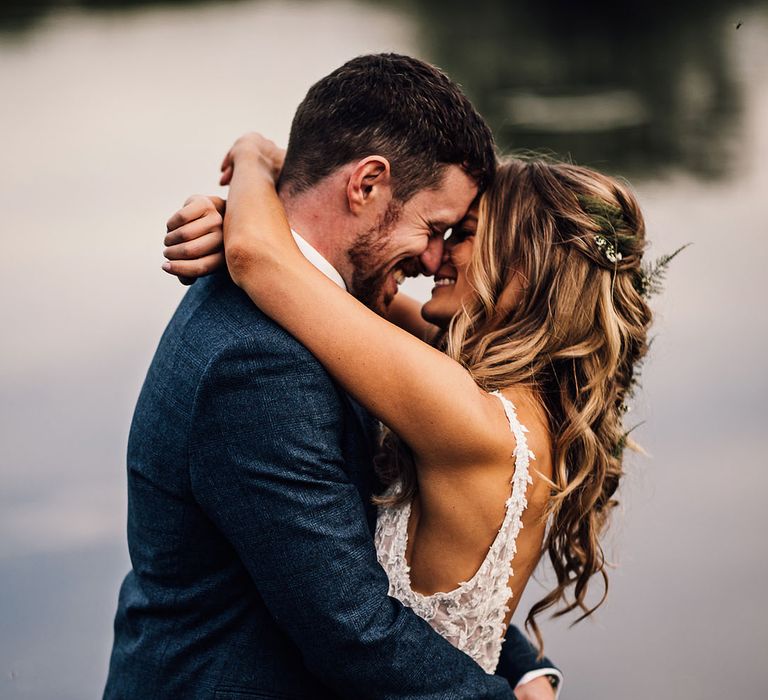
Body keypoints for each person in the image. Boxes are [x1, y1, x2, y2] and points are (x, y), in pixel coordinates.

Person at [104, 54, 560, 700]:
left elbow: (388, 548)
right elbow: (354, 633)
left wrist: (520, 667)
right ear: (366, 185)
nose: (435, 261)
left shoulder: (334, 315)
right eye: (434, 230)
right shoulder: (260, 365)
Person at [164, 130, 653, 683]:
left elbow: (263, 261)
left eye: (465, 236)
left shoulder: (463, 414)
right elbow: (341, 282)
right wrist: (248, 213)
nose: (438, 255)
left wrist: (254, 160)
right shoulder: (518, 396)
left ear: (524, 264)